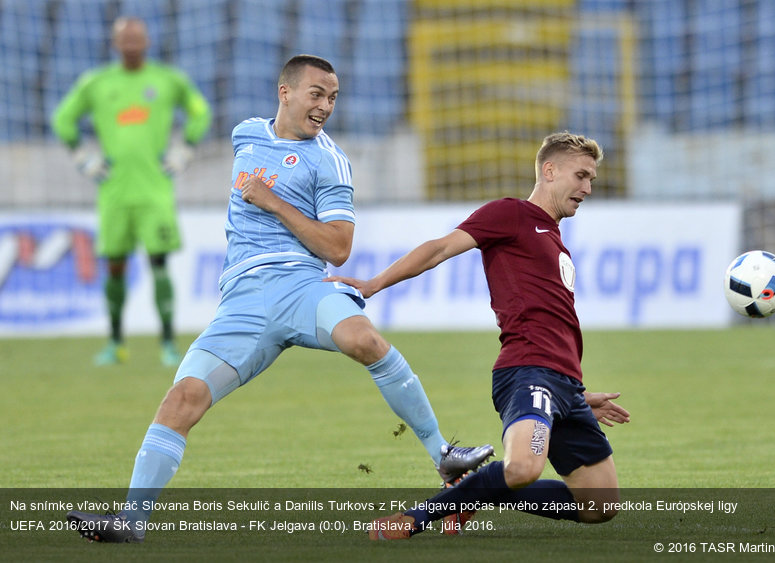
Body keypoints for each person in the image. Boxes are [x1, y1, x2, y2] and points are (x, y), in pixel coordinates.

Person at [66, 54, 493, 543]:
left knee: (365, 340)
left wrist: (273, 201)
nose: (325, 106)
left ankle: (443, 455)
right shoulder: (246, 133)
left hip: (301, 287)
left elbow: (337, 247)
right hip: (242, 302)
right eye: (317, 94)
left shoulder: (329, 161)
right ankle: (131, 523)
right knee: (181, 399)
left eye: (332, 97)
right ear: (284, 92)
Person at [326, 132, 631, 540]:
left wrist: (573, 393)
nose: (587, 188)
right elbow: (438, 248)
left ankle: (473, 492)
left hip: (563, 385)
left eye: (591, 179)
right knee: (522, 469)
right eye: (581, 176)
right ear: (550, 170)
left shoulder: (554, 238)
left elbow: (552, 324)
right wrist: (374, 284)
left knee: (600, 506)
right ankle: (417, 518)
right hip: (527, 373)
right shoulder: (511, 214)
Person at [52, 17, 212, 367]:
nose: (131, 45)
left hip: (155, 191)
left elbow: (200, 112)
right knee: (115, 266)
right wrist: (83, 158)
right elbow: (63, 119)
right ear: (114, 43)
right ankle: (115, 343)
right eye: (125, 39)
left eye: (136, 39)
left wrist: (185, 148)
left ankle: (169, 344)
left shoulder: (168, 81)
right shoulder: (96, 83)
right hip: (113, 192)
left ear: (147, 42)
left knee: (159, 263)